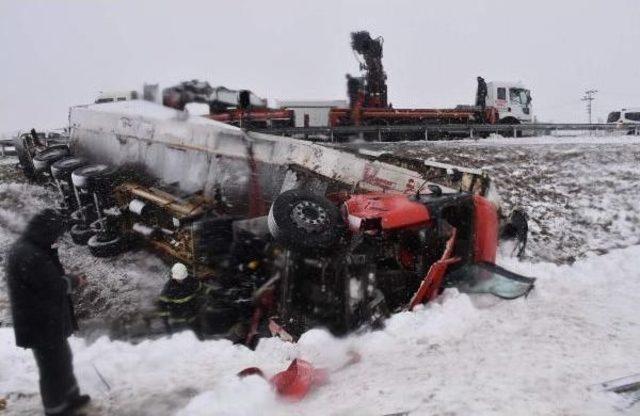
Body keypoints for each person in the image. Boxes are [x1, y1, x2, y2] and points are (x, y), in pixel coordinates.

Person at [5, 209, 90, 416]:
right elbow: (53, 287)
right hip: (41, 324)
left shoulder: (28, 248)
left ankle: (70, 398)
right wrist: (74, 280)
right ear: (47, 231)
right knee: (52, 369)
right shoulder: (31, 254)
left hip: (44, 322)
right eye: (56, 234)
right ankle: (56, 409)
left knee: (62, 360)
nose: (57, 239)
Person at [158, 263, 202, 333]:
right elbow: (162, 306)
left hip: (193, 314)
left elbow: (201, 289)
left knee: (197, 335)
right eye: (179, 278)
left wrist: (211, 292)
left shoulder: (191, 281)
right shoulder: (169, 288)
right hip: (178, 318)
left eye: (183, 278)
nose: (181, 280)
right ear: (174, 277)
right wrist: (166, 323)